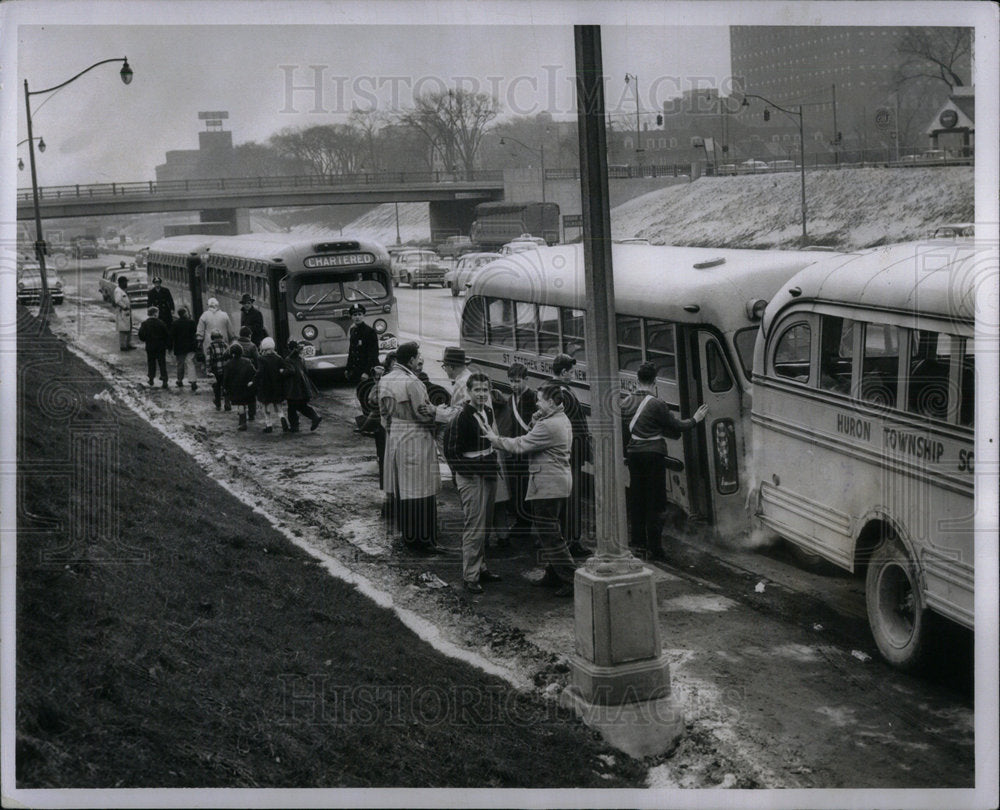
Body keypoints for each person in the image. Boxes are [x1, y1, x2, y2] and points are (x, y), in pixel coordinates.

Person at [481, 381, 577, 597]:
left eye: (540, 400)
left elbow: (521, 445)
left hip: (547, 485)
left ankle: (570, 579)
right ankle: (553, 575)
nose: (536, 403)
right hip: (556, 482)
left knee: (550, 534)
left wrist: (495, 440)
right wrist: (536, 419)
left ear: (551, 402)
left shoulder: (549, 425)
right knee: (551, 533)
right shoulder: (559, 419)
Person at [620, 362, 708, 560]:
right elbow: (676, 425)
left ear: (637, 379)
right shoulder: (656, 404)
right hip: (653, 455)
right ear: (655, 382)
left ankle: (638, 543)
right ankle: (655, 547)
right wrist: (695, 419)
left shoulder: (625, 402)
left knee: (637, 499)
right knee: (656, 502)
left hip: (634, 455)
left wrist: (627, 454)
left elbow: (624, 432)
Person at [379, 341, 441, 553]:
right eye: (417, 357)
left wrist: (392, 429)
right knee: (422, 488)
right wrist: (436, 421)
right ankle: (424, 539)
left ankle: (409, 535)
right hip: (415, 436)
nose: (419, 360)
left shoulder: (385, 379)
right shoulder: (412, 382)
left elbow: (383, 415)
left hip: (396, 435)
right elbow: (422, 412)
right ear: (412, 359)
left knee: (404, 488)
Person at [446, 373, 504, 593]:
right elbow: (451, 452)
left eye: (485, 390)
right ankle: (470, 575)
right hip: (472, 475)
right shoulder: (461, 416)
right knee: (474, 526)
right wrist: (468, 472)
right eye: (477, 390)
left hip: (488, 473)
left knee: (486, 524)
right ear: (468, 392)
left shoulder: (487, 411)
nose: (481, 394)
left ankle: (481, 567)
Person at [550, 353, 592, 556]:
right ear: (564, 372)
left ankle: (570, 540)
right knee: (571, 498)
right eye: (572, 371)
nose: (573, 374)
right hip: (569, 453)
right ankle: (571, 542)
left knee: (569, 498)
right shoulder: (561, 393)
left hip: (569, 452)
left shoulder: (558, 390)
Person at [496, 363, 537, 534]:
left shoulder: (533, 398)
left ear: (526, 380)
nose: (514, 385)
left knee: (528, 487)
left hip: (528, 450)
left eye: (517, 381)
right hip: (514, 449)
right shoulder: (511, 398)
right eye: (511, 381)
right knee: (517, 487)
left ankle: (527, 522)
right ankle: (521, 521)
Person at [282, 340, 322, 433]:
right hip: (304, 387)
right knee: (302, 406)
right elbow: (306, 371)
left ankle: (294, 426)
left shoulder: (288, 360)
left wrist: (282, 372)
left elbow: (291, 371)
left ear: (289, 348)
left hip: (294, 388)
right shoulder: (301, 359)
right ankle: (314, 417)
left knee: (291, 408)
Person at [254, 337, 288, 434]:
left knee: (265, 407)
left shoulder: (261, 359)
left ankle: (268, 425)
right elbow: (283, 370)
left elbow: (259, 372)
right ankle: (282, 417)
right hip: (277, 386)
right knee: (278, 405)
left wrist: (254, 381)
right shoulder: (279, 358)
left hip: (265, 386)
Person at [222, 343, 257, 431]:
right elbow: (253, 373)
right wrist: (253, 382)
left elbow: (225, 378)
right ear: (241, 352)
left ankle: (242, 422)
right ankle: (252, 414)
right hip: (247, 386)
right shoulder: (247, 362)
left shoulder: (228, 364)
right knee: (250, 400)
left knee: (241, 405)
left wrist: (225, 388)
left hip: (236, 388)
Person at [345, 303, 380, 383]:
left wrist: (367, 372)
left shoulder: (370, 332)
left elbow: (373, 354)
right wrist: (348, 368)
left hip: (368, 371)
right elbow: (352, 351)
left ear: (363, 316)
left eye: (359, 314)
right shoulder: (353, 331)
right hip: (357, 370)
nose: (357, 317)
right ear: (351, 317)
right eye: (354, 315)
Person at [137, 306, 170, 388]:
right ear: (155, 314)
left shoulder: (145, 323)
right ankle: (164, 379)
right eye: (158, 313)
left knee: (151, 362)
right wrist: (167, 345)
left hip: (150, 346)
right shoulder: (161, 323)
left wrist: (146, 339)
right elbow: (166, 335)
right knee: (162, 363)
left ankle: (151, 378)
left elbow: (141, 335)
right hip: (160, 346)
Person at [234, 326, 260, 422]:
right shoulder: (252, 346)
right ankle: (251, 414)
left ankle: (242, 412)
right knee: (251, 394)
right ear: (249, 335)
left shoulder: (235, 344)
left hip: (237, 373)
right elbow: (257, 359)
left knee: (240, 394)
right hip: (249, 373)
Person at [170, 306, 199, 391]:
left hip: (179, 347)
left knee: (180, 364)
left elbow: (172, 336)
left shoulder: (175, 323)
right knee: (190, 363)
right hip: (190, 347)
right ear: (185, 313)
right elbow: (195, 333)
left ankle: (179, 380)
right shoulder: (191, 322)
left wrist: (170, 347)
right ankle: (193, 381)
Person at [206, 330, 230, 411]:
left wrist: (208, 370)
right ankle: (227, 403)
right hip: (225, 369)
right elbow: (229, 357)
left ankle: (218, 403)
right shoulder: (225, 345)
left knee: (217, 387)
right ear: (221, 337)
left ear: (212, 338)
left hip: (215, 370)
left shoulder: (210, 347)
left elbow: (208, 359)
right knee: (226, 386)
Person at [113, 275, 134, 351]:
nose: (126, 284)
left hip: (127, 313)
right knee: (123, 330)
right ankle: (123, 346)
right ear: (121, 283)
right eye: (125, 282)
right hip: (122, 312)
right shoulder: (118, 291)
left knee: (128, 328)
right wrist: (124, 307)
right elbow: (118, 301)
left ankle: (128, 344)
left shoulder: (122, 290)